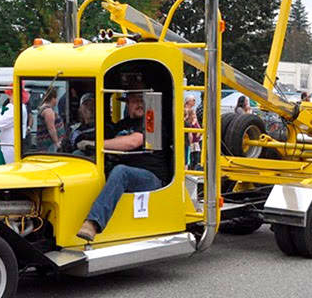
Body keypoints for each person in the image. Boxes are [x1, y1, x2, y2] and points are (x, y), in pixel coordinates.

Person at [77, 91, 166, 242]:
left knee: (121, 172)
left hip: (152, 177)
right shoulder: (122, 125)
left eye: (142, 100)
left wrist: (95, 144)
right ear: (127, 104)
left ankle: (93, 223)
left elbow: (133, 142)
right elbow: (102, 135)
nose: (139, 104)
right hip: (127, 172)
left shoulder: (152, 121)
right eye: (135, 101)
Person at [36, 86, 65, 152]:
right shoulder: (48, 111)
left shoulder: (43, 108)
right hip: (49, 145)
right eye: (56, 98)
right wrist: (57, 142)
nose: (56, 101)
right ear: (52, 98)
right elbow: (51, 128)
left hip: (46, 144)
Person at [183, 95, 201, 169]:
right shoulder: (186, 110)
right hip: (189, 136)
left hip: (194, 136)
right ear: (188, 101)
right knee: (189, 156)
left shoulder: (192, 110)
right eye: (193, 100)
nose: (194, 101)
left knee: (193, 155)